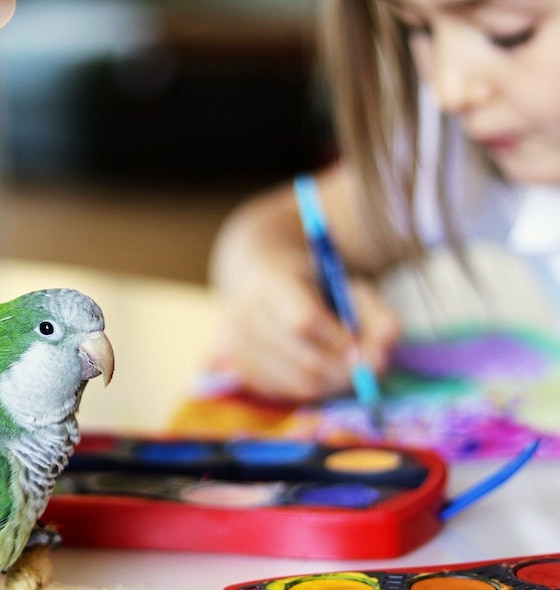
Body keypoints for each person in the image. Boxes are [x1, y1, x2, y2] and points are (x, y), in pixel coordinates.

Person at [210, 0, 560, 402]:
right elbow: (273, 224)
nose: (449, 91)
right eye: (419, 30)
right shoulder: (453, 157)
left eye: (508, 32)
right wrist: (268, 286)